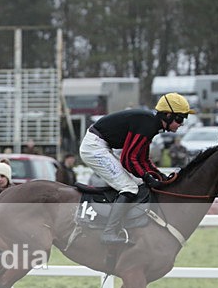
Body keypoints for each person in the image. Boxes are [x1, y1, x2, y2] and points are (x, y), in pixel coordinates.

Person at [79, 92, 193, 245]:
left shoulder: (151, 124)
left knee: (138, 184)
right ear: (167, 115)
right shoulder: (148, 124)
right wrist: (147, 177)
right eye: (179, 118)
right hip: (94, 148)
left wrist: (159, 176)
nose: (181, 124)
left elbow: (143, 159)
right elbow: (128, 159)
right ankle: (109, 232)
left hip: (103, 145)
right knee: (129, 187)